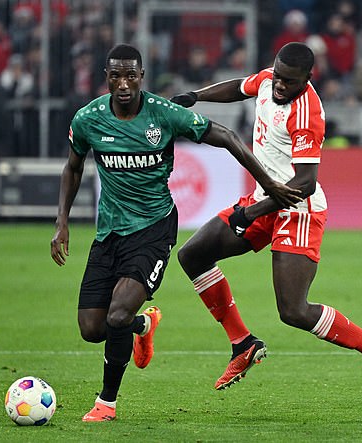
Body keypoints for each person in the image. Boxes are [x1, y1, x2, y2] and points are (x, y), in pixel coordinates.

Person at [50, 44, 301, 422]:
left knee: (117, 314)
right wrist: (62, 222)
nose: (123, 84)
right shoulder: (88, 120)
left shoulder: (163, 115)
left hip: (153, 228)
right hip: (109, 232)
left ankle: (107, 403)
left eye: (131, 76)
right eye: (116, 75)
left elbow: (229, 137)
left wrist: (268, 183)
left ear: (141, 77)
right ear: (107, 76)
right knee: (91, 328)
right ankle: (144, 324)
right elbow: (72, 167)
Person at [170, 42, 362, 394]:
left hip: (297, 210)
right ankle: (243, 343)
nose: (279, 85)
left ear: (308, 79)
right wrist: (194, 95)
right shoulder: (268, 80)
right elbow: (239, 87)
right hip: (265, 200)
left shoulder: (306, 113)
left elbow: (305, 183)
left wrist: (248, 213)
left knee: (293, 311)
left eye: (289, 82)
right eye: (278, 77)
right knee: (192, 254)